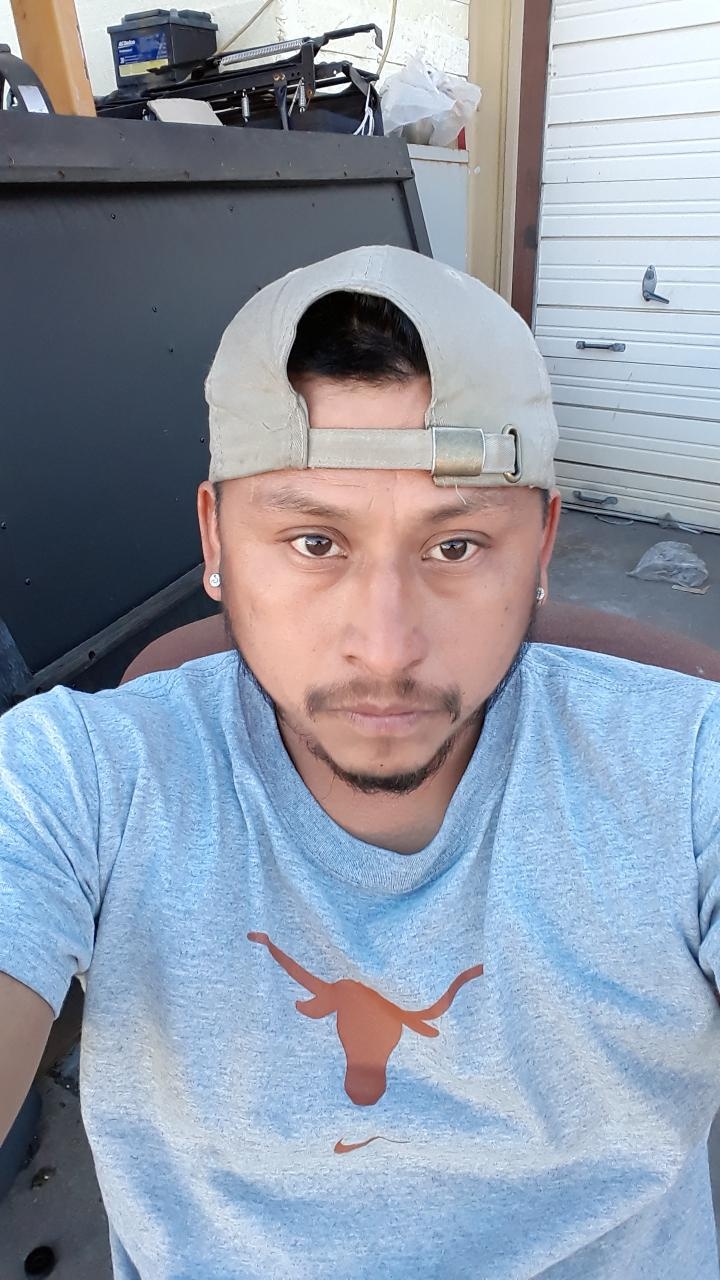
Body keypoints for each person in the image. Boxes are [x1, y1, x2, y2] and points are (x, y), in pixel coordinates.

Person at [0, 245, 719, 1280]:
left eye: (456, 546)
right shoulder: (82, 780)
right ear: (215, 541)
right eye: (314, 542)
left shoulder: (689, 774)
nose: (385, 646)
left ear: (543, 545)